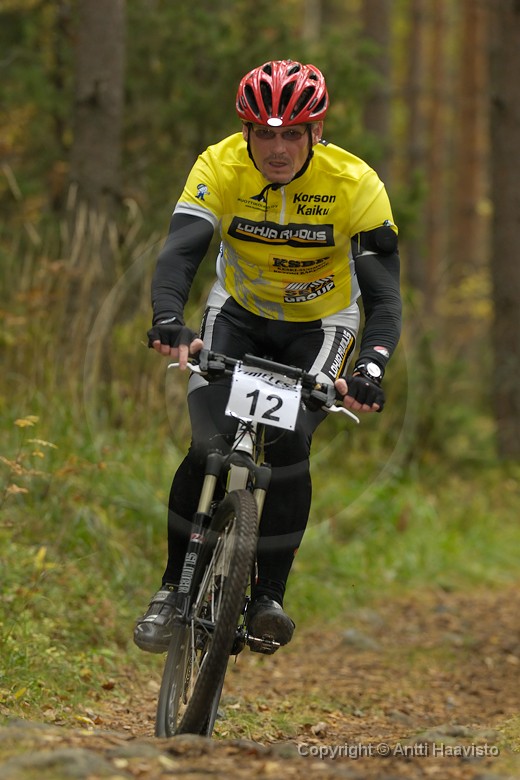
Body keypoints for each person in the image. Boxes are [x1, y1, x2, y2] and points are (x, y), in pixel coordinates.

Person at [134, 59, 402, 654]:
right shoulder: (218, 165)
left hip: (321, 326)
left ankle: (267, 599)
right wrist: (169, 319)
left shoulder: (355, 183)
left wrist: (371, 367)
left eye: (292, 134)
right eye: (264, 134)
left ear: (316, 131)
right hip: (238, 315)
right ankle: (171, 591)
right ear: (246, 132)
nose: (277, 149)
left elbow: (384, 296)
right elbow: (181, 251)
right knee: (207, 443)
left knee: (289, 445)